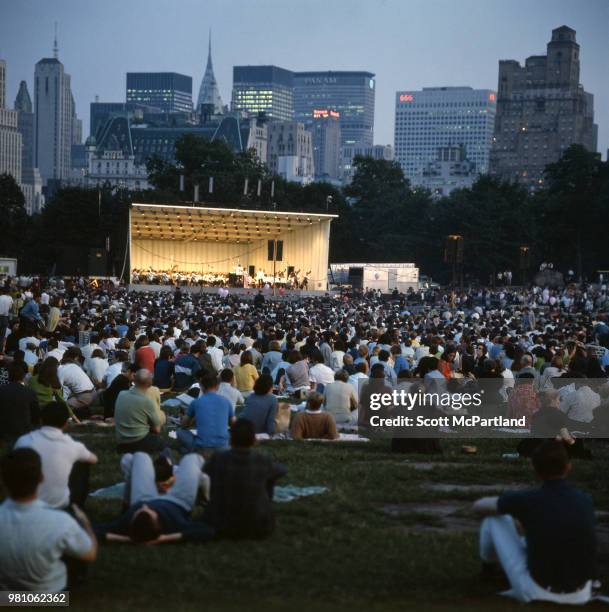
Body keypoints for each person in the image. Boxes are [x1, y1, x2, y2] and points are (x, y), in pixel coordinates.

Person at [473, 440, 596, 604]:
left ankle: (488, 572)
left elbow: (479, 506)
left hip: (538, 592)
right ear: (568, 467)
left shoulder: (528, 499)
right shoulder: (585, 500)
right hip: (582, 593)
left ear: (535, 470)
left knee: (494, 519)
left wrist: (510, 508)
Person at [0, 448, 97, 591]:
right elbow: (90, 553)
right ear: (41, 477)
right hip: (51, 594)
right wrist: (85, 523)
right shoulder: (61, 521)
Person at [95, 452, 214, 545]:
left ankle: (126, 506)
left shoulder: (125, 524)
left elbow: (93, 531)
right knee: (192, 458)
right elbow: (208, 531)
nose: (146, 508)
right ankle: (206, 500)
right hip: (179, 501)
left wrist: (127, 539)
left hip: (142, 498)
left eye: (141, 511)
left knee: (141, 456)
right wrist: (165, 538)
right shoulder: (175, 525)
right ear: (159, 526)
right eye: (151, 512)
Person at [203, 419, 286, 539]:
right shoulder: (262, 459)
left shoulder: (219, 458)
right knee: (270, 478)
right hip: (259, 526)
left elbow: (205, 471)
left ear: (230, 440)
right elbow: (281, 470)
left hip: (221, 524)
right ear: (254, 440)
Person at [15, 402, 98, 509]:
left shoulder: (23, 441)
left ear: (41, 420)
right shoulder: (72, 445)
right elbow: (93, 459)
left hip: (24, 502)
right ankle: (76, 507)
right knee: (82, 463)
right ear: (65, 424)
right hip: (60, 506)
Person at [177, 374, 235, 456]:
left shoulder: (196, 402)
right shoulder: (226, 401)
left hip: (202, 447)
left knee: (180, 432)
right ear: (217, 386)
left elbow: (183, 425)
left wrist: (189, 419)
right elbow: (233, 424)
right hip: (223, 446)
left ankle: (191, 450)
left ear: (201, 387)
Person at [114, 369, 166, 454]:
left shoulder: (121, 394)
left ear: (134, 379)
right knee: (166, 446)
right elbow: (157, 430)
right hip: (139, 442)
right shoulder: (147, 401)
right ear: (150, 383)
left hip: (121, 443)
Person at [0, 362, 40, 443]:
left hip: (3, 433)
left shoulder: (2, 390)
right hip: (24, 433)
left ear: (9, 377)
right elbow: (36, 417)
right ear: (23, 377)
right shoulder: (30, 392)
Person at [58, 347, 97, 420]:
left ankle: (69, 419)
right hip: (94, 393)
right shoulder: (75, 366)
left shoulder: (61, 370)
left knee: (62, 406)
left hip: (85, 397)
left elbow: (59, 391)